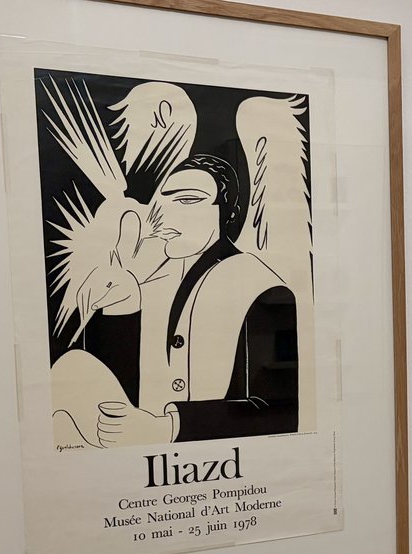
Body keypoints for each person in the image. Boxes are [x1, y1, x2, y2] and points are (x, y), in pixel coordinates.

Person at [51, 154, 298, 447]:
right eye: (164, 201)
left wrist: (170, 428)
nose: (165, 216)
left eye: (188, 200)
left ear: (229, 212)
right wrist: (122, 312)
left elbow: (281, 411)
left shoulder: (265, 289)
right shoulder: (148, 284)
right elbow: (122, 395)